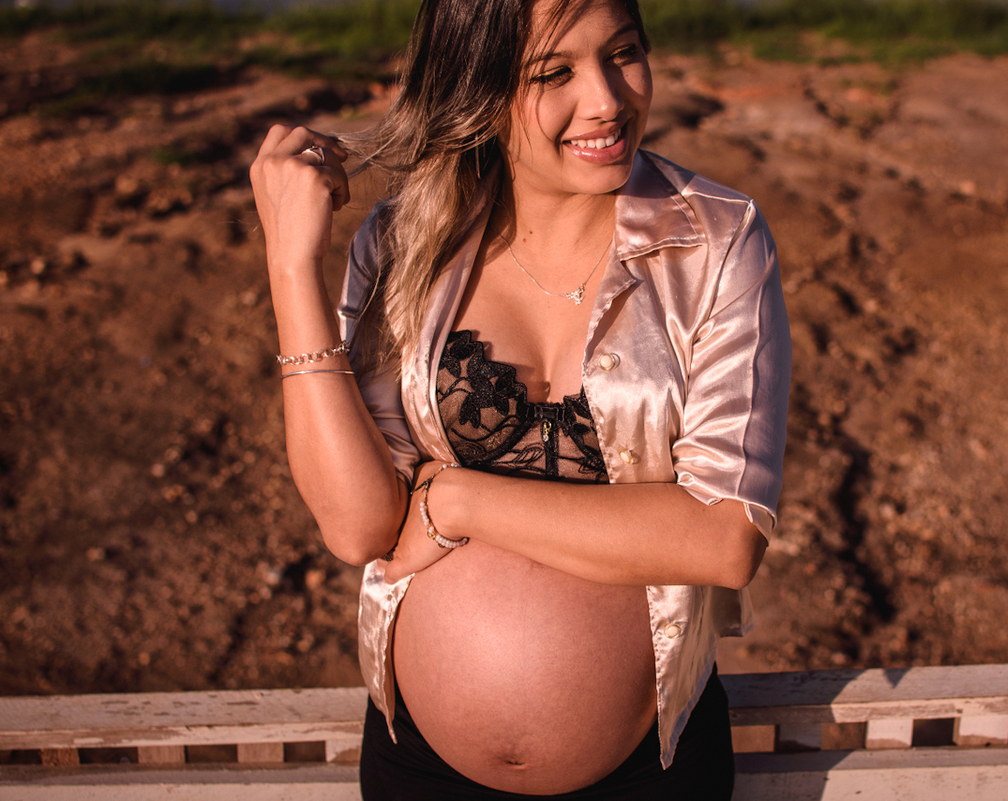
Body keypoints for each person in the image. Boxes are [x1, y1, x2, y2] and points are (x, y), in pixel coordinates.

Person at [249, 0, 790, 796]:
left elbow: (725, 536)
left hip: (649, 770)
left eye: (623, 53)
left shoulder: (715, 241)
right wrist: (292, 266)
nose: (606, 99)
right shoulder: (403, 242)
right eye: (554, 72)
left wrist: (456, 499)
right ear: (479, 88)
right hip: (418, 767)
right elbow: (359, 524)